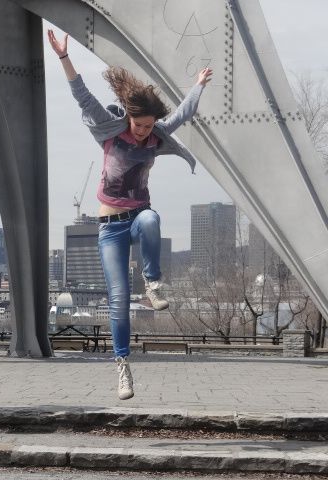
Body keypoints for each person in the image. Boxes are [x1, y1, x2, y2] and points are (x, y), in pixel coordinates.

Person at [48, 30, 212, 400]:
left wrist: (198, 85)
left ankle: (153, 283)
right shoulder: (110, 133)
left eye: (149, 127)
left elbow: (184, 114)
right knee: (118, 302)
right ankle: (122, 366)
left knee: (152, 219)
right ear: (129, 118)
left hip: (138, 216)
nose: (142, 133)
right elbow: (82, 95)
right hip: (109, 228)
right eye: (139, 125)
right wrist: (63, 58)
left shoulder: (156, 135)